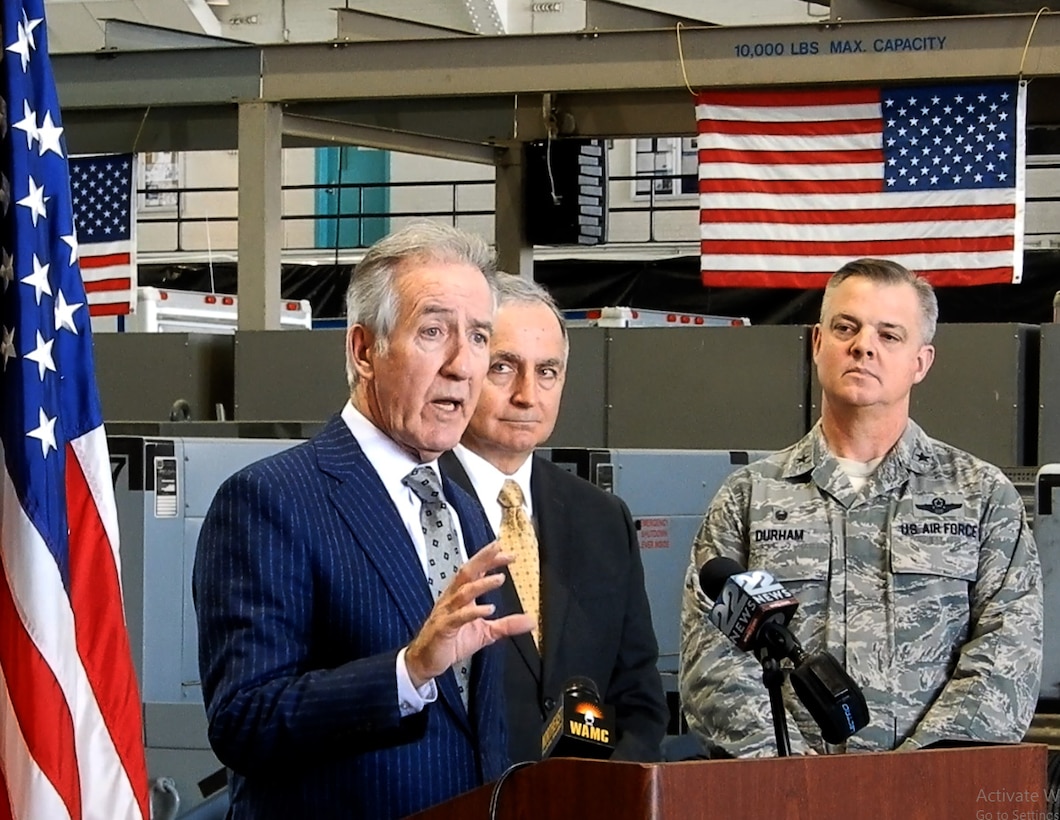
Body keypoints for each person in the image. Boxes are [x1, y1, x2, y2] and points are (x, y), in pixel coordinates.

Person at [192, 222, 534, 819]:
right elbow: (243, 720)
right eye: (434, 332)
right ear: (363, 351)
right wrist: (408, 671)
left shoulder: (462, 508)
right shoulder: (270, 500)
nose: (462, 365)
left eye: (478, 338)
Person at [679, 258, 1043, 757]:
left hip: (933, 798)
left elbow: (1009, 650)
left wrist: (913, 783)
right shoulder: (748, 498)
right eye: (845, 327)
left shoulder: (982, 497)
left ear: (921, 361)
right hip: (779, 799)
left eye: (890, 335)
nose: (863, 345)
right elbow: (712, 659)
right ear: (816, 343)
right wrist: (791, 781)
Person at [439, 273, 669, 764]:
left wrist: (603, 799)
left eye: (547, 372)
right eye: (504, 367)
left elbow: (639, 695)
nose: (528, 395)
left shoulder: (602, 517)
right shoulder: (418, 501)